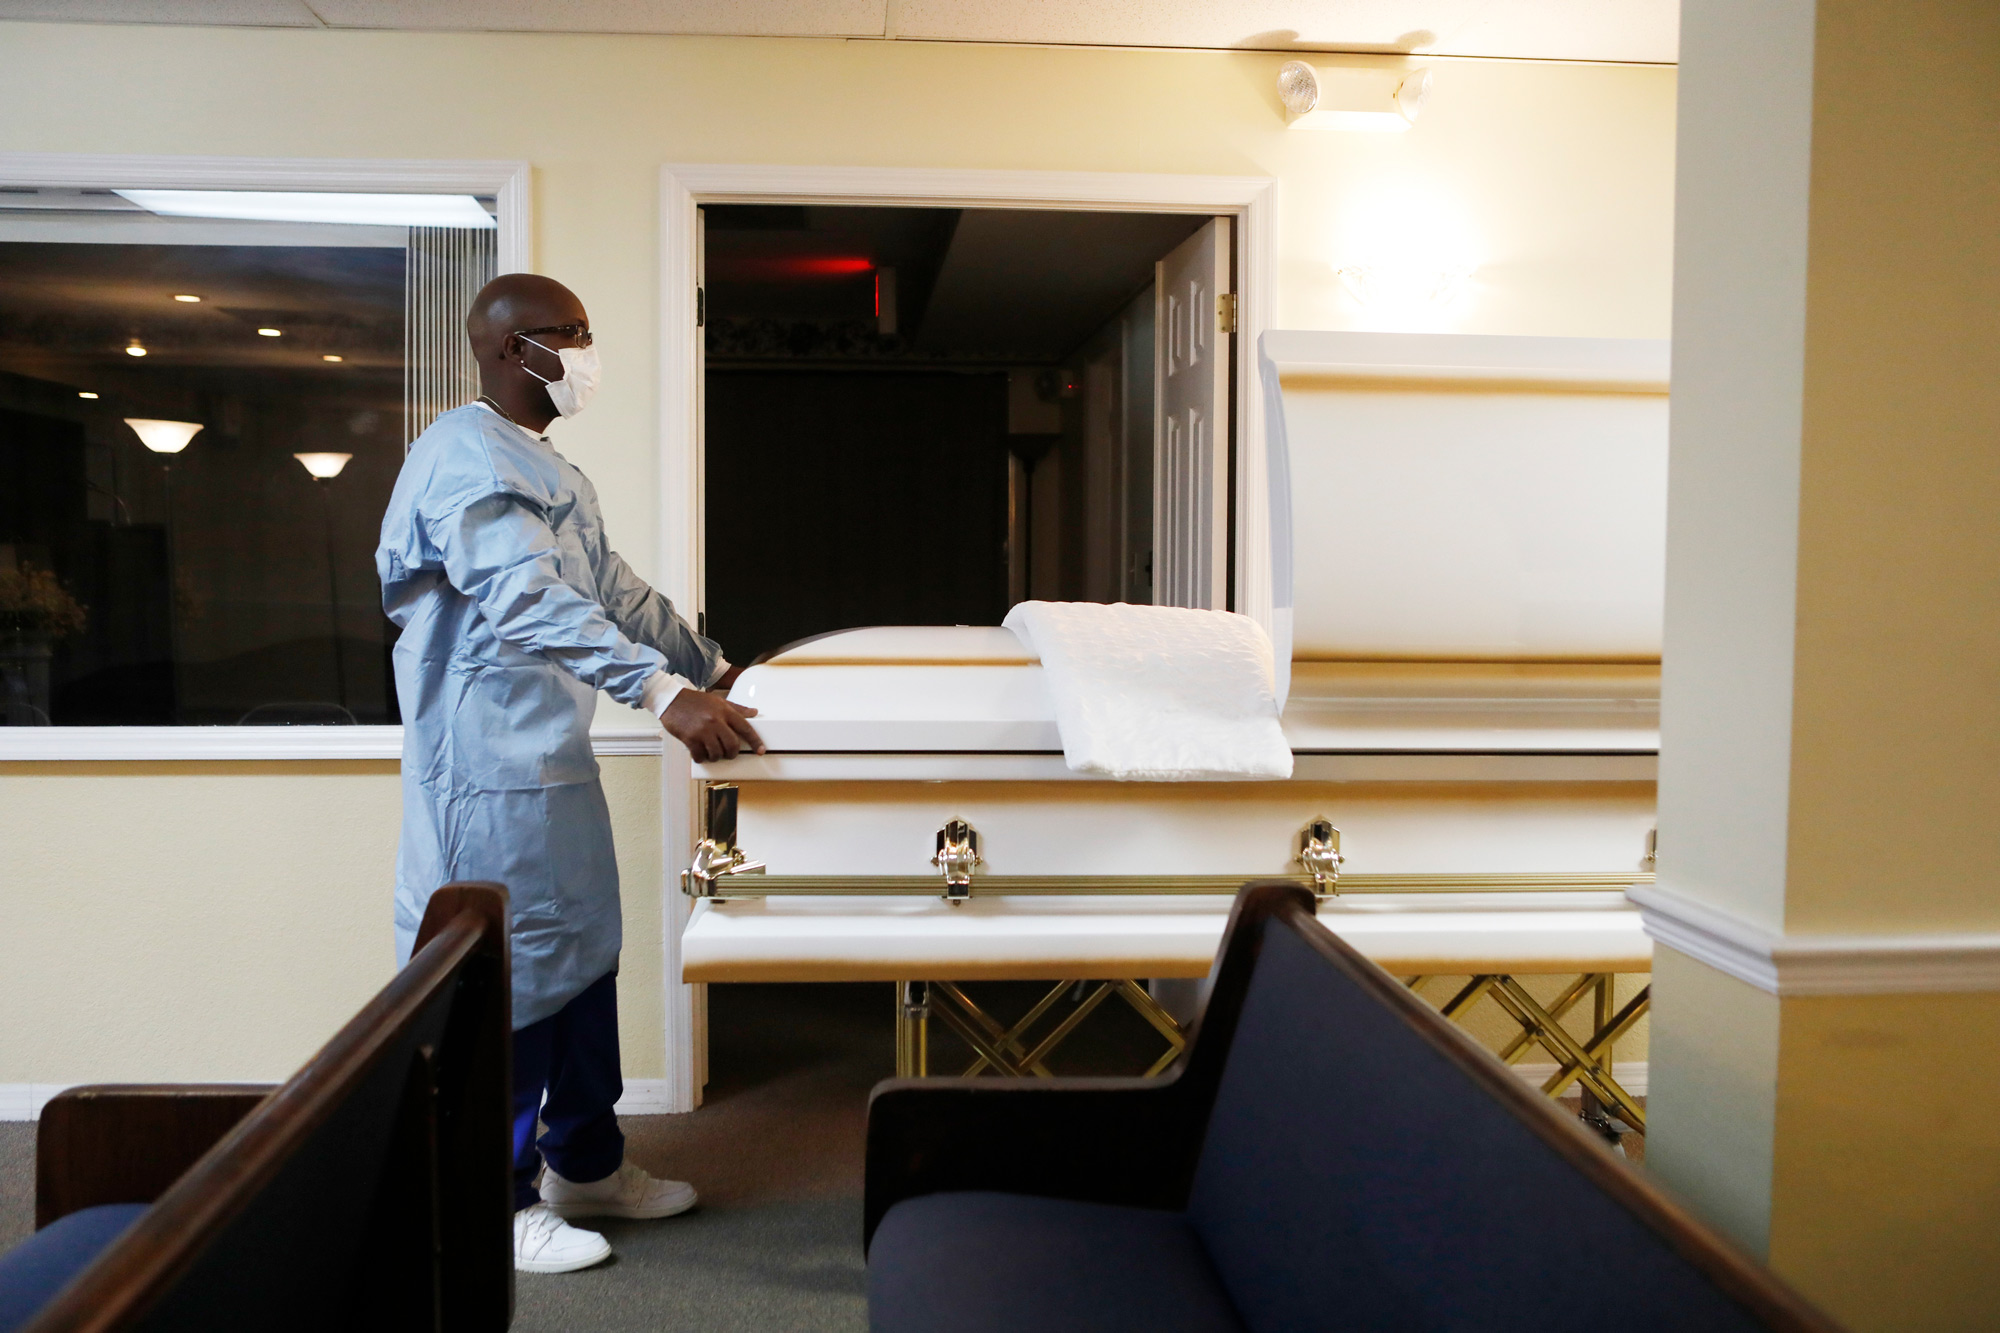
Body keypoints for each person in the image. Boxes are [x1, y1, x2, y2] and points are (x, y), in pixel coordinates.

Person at [376, 273, 763, 1275]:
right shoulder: (463, 458)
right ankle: (493, 1200)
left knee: (585, 953)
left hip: (547, 757)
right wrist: (660, 695)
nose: (587, 352)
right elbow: (523, 598)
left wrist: (714, 666)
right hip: (484, 770)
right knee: (513, 981)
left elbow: (613, 590)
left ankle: (585, 1163)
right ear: (509, 349)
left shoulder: (545, 466)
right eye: (570, 334)